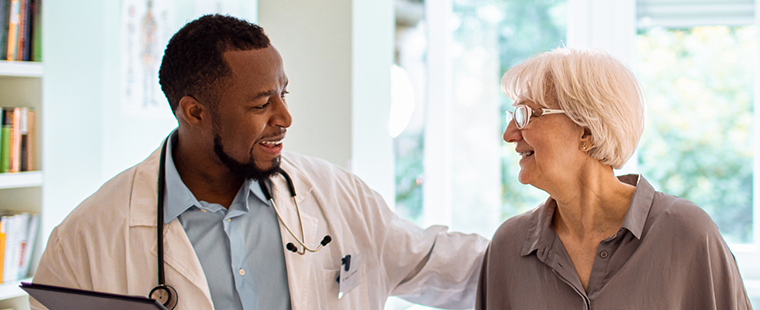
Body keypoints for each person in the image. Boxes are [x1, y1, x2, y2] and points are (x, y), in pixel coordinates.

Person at [31, 14, 488, 310]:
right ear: (194, 112)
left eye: (283, 94)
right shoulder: (86, 239)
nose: (285, 118)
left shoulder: (334, 195)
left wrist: (553, 241)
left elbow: (450, 267)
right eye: (260, 104)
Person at [476, 47, 753, 309]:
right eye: (512, 116)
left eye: (526, 115)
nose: (509, 134)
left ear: (586, 131)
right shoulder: (508, 247)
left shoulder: (687, 234)